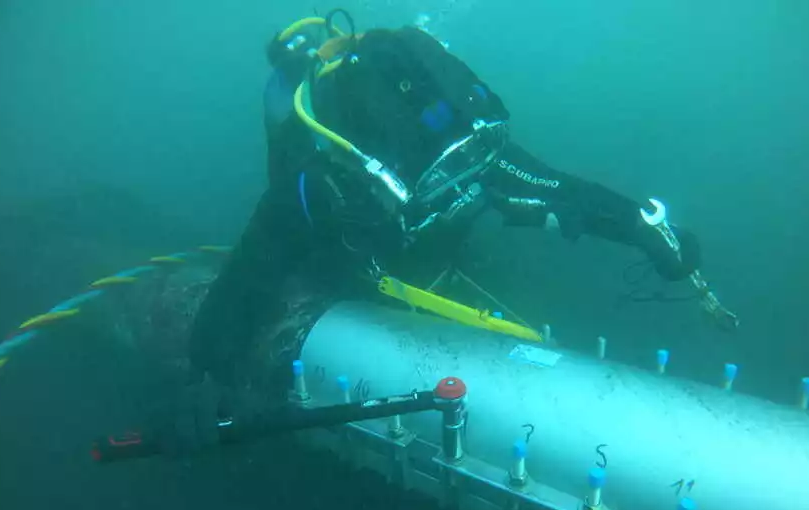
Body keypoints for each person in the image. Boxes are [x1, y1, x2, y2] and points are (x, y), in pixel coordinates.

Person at [190, 11, 738, 391]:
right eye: (445, 170)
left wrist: (642, 229)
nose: (462, 173)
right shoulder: (324, 185)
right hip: (352, 270)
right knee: (320, 266)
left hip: (428, 255)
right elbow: (255, 269)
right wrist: (206, 371)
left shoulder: (463, 146)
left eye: (470, 157)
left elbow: (557, 190)